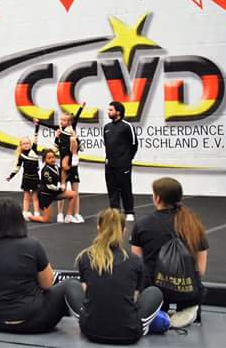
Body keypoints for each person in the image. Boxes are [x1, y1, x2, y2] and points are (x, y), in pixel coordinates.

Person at [65, 208, 163, 344]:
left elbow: (87, 294)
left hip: (91, 331)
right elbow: (135, 297)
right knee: (155, 292)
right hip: (129, 334)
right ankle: (138, 326)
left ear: (98, 228)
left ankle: (92, 320)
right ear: (123, 231)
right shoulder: (135, 261)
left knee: (71, 285)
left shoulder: (85, 257)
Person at [0, 198, 69, 333]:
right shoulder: (32, 245)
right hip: (32, 320)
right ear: (19, 220)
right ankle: (88, 319)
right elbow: (47, 283)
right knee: (70, 285)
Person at [130, 177, 208, 328]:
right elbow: (201, 269)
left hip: (156, 294)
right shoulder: (194, 224)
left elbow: (136, 265)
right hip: (188, 294)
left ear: (157, 198)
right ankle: (188, 309)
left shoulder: (142, 224)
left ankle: (158, 313)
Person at [36, 101, 85, 222]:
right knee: (63, 190)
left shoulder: (72, 129)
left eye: (64, 120)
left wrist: (81, 107)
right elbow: (49, 126)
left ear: (69, 122)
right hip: (64, 166)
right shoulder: (59, 131)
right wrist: (39, 122)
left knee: (75, 191)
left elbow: (76, 117)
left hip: (73, 164)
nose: (61, 122)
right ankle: (60, 214)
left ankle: (76, 213)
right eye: (61, 120)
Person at [103, 101, 138, 220]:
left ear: (118, 112)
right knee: (112, 190)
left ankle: (129, 212)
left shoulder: (127, 126)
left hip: (123, 164)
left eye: (111, 110)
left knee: (125, 188)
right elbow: (107, 145)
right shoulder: (107, 127)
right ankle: (115, 212)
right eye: (108, 110)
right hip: (109, 164)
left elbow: (134, 144)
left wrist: (127, 158)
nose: (108, 112)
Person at [28, 149, 78, 223]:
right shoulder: (46, 171)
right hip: (45, 195)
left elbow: (64, 171)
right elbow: (50, 186)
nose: (52, 159)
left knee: (73, 194)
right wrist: (60, 188)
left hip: (54, 193)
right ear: (44, 160)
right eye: (49, 158)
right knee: (46, 219)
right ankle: (29, 217)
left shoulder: (56, 167)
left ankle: (68, 216)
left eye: (53, 157)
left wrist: (70, 165)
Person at [6, 122, 41, 219]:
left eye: (28, 143)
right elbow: (17, 167)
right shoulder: (21, 156)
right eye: (24, 144)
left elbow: (35, 137)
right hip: (26, 178)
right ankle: (25, 213)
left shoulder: (34, 150)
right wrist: (11, 176)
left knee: (35, 197)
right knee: (26, 197)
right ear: (21, 146)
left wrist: (37, 127)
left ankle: (36, 213)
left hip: (35, 177)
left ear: (30, 144)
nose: (26, 145)